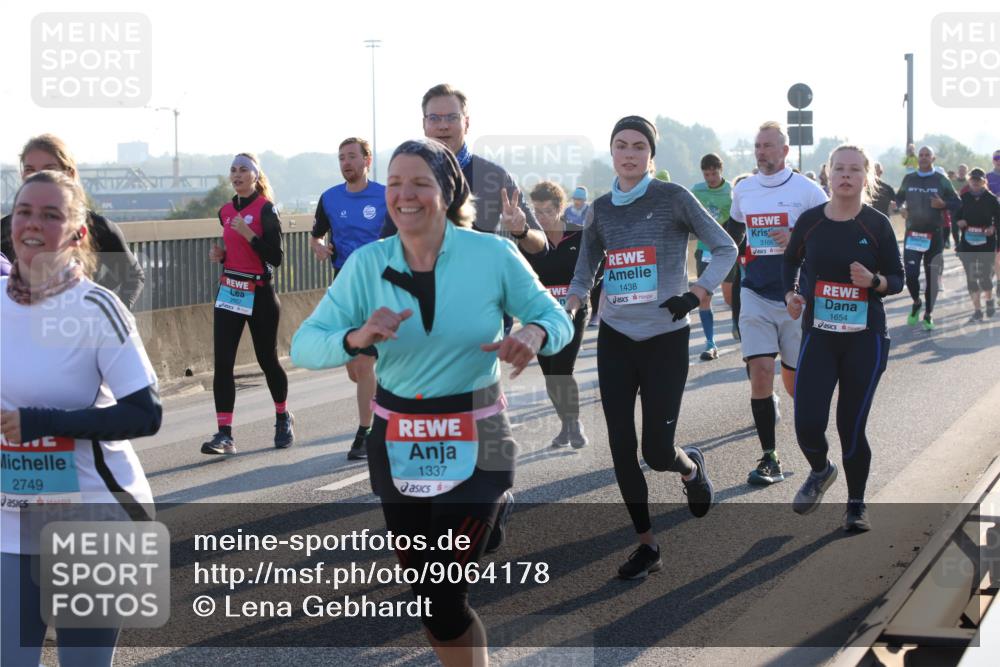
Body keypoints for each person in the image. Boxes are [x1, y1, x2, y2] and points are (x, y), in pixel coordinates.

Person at [292, 139, 573, 666]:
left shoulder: (491, 253)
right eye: (395, 183)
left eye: (420, 182)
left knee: (446, 595)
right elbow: (304, 344)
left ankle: (491, 506)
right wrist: (356, 337)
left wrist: (534, 333)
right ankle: (492, 523)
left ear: (447, 192)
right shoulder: (367, 264)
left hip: (478, 437)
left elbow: (555, 316)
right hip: (398, 442)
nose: (404, 195)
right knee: (427, 599)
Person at [565, 116, 736, 580]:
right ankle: (647, 545)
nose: (629, 153)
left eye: (639, 146)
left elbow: (725, 248)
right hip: (616, 338)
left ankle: (689, 469)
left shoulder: (674, 197)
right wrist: (573, 302)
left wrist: (698, 292)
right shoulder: (599, 209)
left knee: (657, 451)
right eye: (621, 145)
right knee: (621, 447)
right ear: (612, 152)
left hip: (664, 338)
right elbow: (585, 271)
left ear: (650, 156)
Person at [1, 170, 161, 666]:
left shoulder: (96, 308)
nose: (33, 225)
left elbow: (145, 412)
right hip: (11, 523)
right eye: (25, 211)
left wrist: (46, 421)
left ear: (77, 233)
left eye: (51, 215)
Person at [783, 145, 904, 533]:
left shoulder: (876, 224)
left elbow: (897, 279)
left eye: (854, 170)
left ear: (866, 177)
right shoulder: (810, 221)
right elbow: (789, 262)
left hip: (864, 339)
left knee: (850, 425)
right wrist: (792, 294)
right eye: (839, 169)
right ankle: (821, 470)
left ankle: (856, 504)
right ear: (828, 175)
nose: (846, 176)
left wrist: (874, 282)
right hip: (819, 337)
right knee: (806, 422)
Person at [730, 121, 828, 486]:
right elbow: (738, 231)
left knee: (794, 385)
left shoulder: (808, 191)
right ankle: (769, 456)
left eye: (769, 146)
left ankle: (815, 451)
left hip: (795, 298)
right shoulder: (744, 190)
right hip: (754, 292)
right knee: (760, 373)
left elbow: (828, 235)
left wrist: (798, 239)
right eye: (757, 146)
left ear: (785, 151)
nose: (761, 152)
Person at [380, 84, 546, 255]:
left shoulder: (494, 176)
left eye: (452, 117)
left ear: (466, 123)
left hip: (477, 279)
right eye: (434, 118)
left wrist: (522, 231)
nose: (443, 126)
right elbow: (385, 245)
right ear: (424, 124)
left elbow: (542, 246)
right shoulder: (406, 176)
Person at [202, 153, 293, 455]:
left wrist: (249, 234)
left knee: (267, 361)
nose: (237, 174)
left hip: (260, 293)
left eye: (244, 170)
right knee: (223, 364)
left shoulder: (266, 210)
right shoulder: (225, 210)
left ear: (255, 176)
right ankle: (224, 434)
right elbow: (235, 250)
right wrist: (222, 256)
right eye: (233, 170)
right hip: (230, 291)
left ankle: (282, 417)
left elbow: (276, 258)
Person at [0, 134, 145, 309]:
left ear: (69, 173)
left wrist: (109, 312)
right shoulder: (6, 228)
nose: (38, 177)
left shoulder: (99, 227)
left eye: (49, 169)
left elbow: (132, 275)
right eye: (30, 169)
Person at [309, 137, 386, 460]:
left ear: (367, 160)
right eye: (341, 158)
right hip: (343, 286)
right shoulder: (329, 198)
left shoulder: (385, 196)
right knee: (355, 369)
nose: (346, 163)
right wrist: (317, 244)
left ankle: (366, 432)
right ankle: (384, 406)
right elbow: (317, 233)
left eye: (352, 157)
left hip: (377, 285)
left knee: (364, 362)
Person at [525, 181, 589, 448]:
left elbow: (594, 269)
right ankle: (566, 425)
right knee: (550, 374)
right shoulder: (529, 241)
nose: (541, 217)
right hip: (539, 315)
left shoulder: (580, 235)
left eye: (547, 211)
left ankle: (574, 425)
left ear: (560, 209)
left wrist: (586, 297)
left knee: (563, 369)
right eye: (536, 212)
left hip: (573, 310)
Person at [893, 146, 961, 331]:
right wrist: (900, 207)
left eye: (926, 155)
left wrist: (943, 204)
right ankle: (916, 302)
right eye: (921, 155)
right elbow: (898, 198)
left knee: (932, 278)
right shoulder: (909, 178)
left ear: (933, 158)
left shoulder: (941, 180)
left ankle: (928, 313)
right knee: (911, 274)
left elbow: (957, 203)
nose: (923, 158)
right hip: (913, 234)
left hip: (935, 235)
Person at [691, 153, 733, 361]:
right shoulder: (697, 190)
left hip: (727, 248)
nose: (710, 178)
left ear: (720, 170)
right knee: (704, 295)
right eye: (706, 174)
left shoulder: (730, 191)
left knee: (729, 296)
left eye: (714, 173)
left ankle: (737, 321)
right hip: (704, 248)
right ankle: (710, 342)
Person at [955, 168, 1000, 321]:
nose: (975, 182)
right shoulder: (964, 197)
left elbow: (998, 220)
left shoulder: (992, 199)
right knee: (971, 278)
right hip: (968, 243)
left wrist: (993, 227)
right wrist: (959, 221)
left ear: (984, 181)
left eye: (978, 180)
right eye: (973, 179)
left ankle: (989, 300)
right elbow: (957, 216)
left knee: (985, 277)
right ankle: (977, 311)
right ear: (969, 181)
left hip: (986, 243)